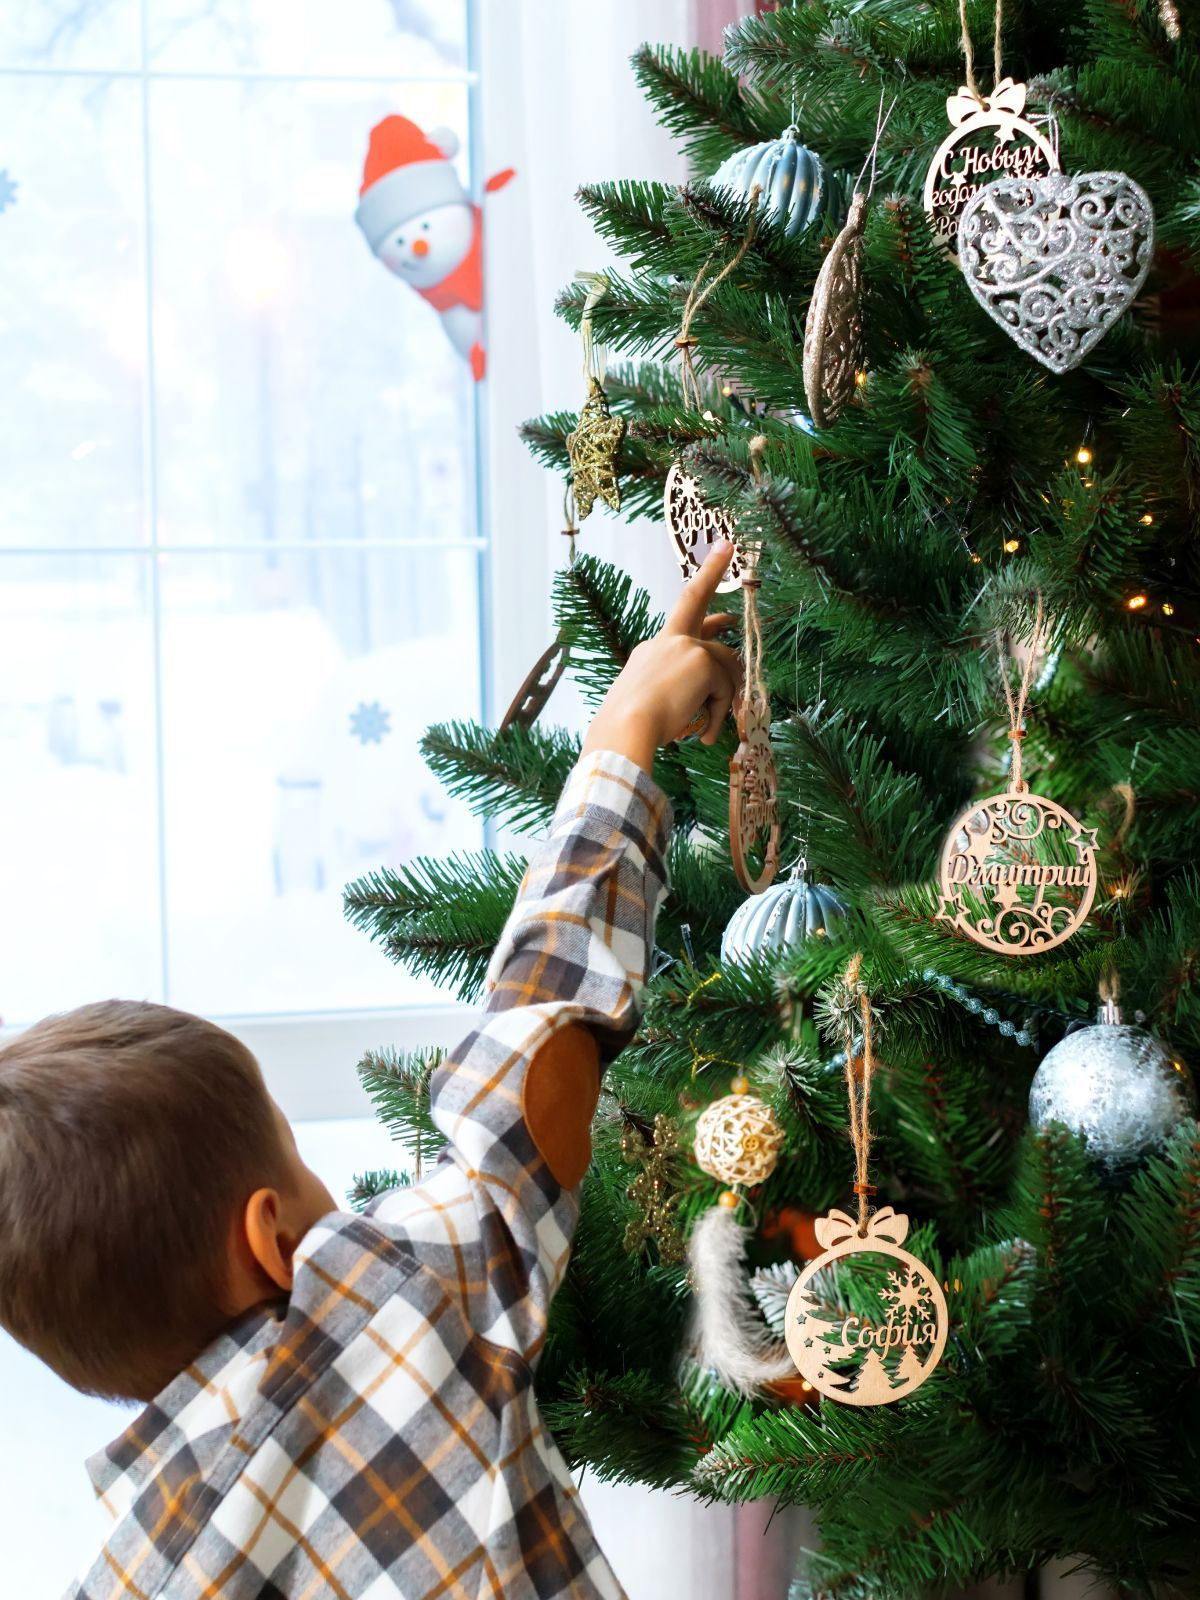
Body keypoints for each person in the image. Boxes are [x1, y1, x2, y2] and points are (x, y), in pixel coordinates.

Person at [0, 543, 741, 1600]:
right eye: (301, 1164)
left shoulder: (135, 1570)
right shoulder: (385, 1310)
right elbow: (532, 1048)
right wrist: (625, 735)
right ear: (272, 1239)